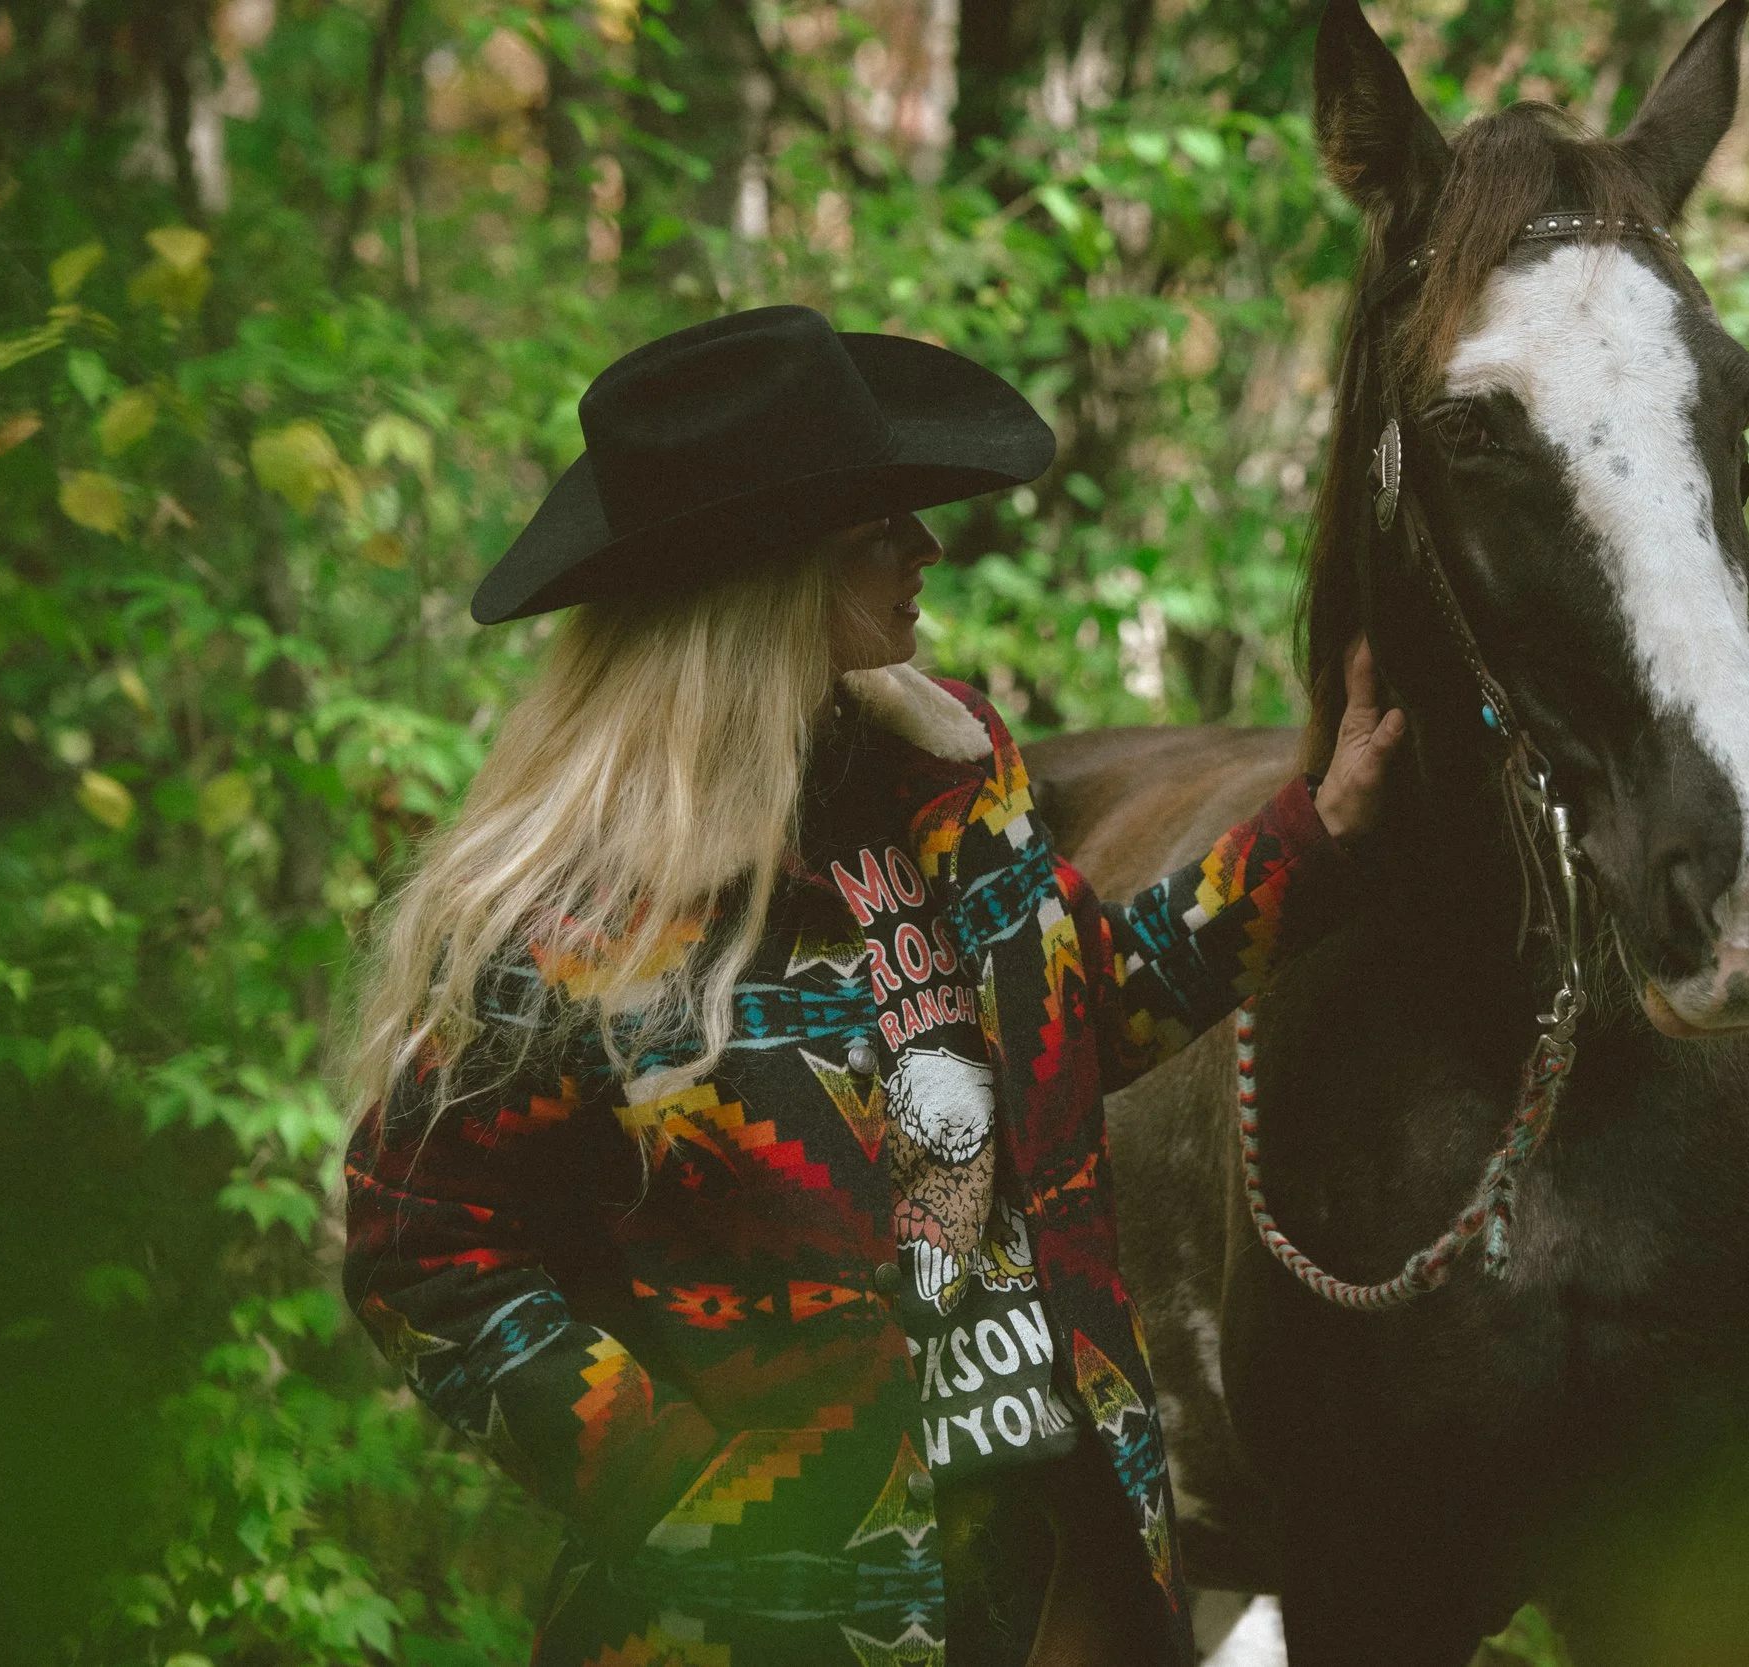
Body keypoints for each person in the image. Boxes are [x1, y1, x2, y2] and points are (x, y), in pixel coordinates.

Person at [339, 306, 1404, 1666]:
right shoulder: (573, 926)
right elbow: (418, 1237)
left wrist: (1320, 835)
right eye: (879, 522)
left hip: (1066, 1573)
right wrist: (670, 1484)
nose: (927, 547)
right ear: (769, 570)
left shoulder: (949, 787)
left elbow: (1078, 1015)